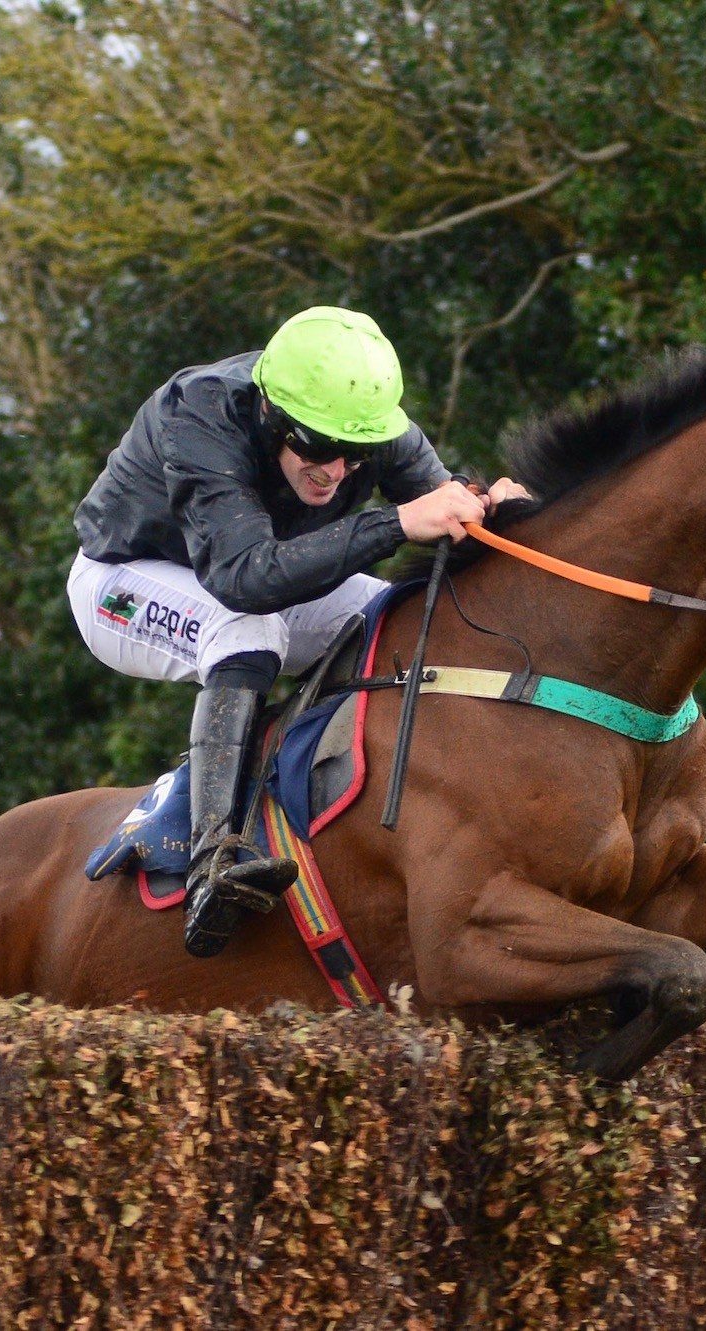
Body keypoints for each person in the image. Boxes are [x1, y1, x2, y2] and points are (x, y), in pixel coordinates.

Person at [70, 306, 527, 957]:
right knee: (244, 626)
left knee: (393, 618)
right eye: (315, 447)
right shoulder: (199, 415)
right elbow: (245, 578)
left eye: (356, 452)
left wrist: (501, 513)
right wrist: (398, 522)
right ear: (269, 414)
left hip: (256, 582)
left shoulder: (366, 422)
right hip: (122, 583)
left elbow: (446, 504)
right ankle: (212, 864)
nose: (336, 470)